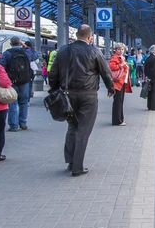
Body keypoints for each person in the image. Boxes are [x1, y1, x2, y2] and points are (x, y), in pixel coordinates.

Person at [48, 24, 115, 176]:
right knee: (83, 131)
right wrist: (111, 88)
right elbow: (105, 72)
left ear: (77, 35)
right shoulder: (94, 51)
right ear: (90, 37)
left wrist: (53, 90)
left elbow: (53, 73)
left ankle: (71, 162)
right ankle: (78, 167)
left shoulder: (63, 50)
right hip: (88, 96)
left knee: (72, 127)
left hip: (67, 95)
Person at [0, 37, 32, 132]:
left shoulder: (7, 53)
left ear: (10, 43)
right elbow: (35, 56)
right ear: (20, 43)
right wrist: (25, 46)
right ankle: (23, 123)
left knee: (12, 102)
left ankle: (13, 125)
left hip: (11, 81)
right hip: (25, 81)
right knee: (24, 102)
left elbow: (1, 67)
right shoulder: (26, 52)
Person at [109, 43, 132, 126]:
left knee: (120, 101)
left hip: (121, 82)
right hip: (117, 82)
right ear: (115, 50)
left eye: (122, 49)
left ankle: (120, 119)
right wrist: (120, 65)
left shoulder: (122, 58)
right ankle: (117, 120)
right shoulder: (114, 58)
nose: (121, 51)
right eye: (119, 49)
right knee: (118, 101)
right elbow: (111, 67)